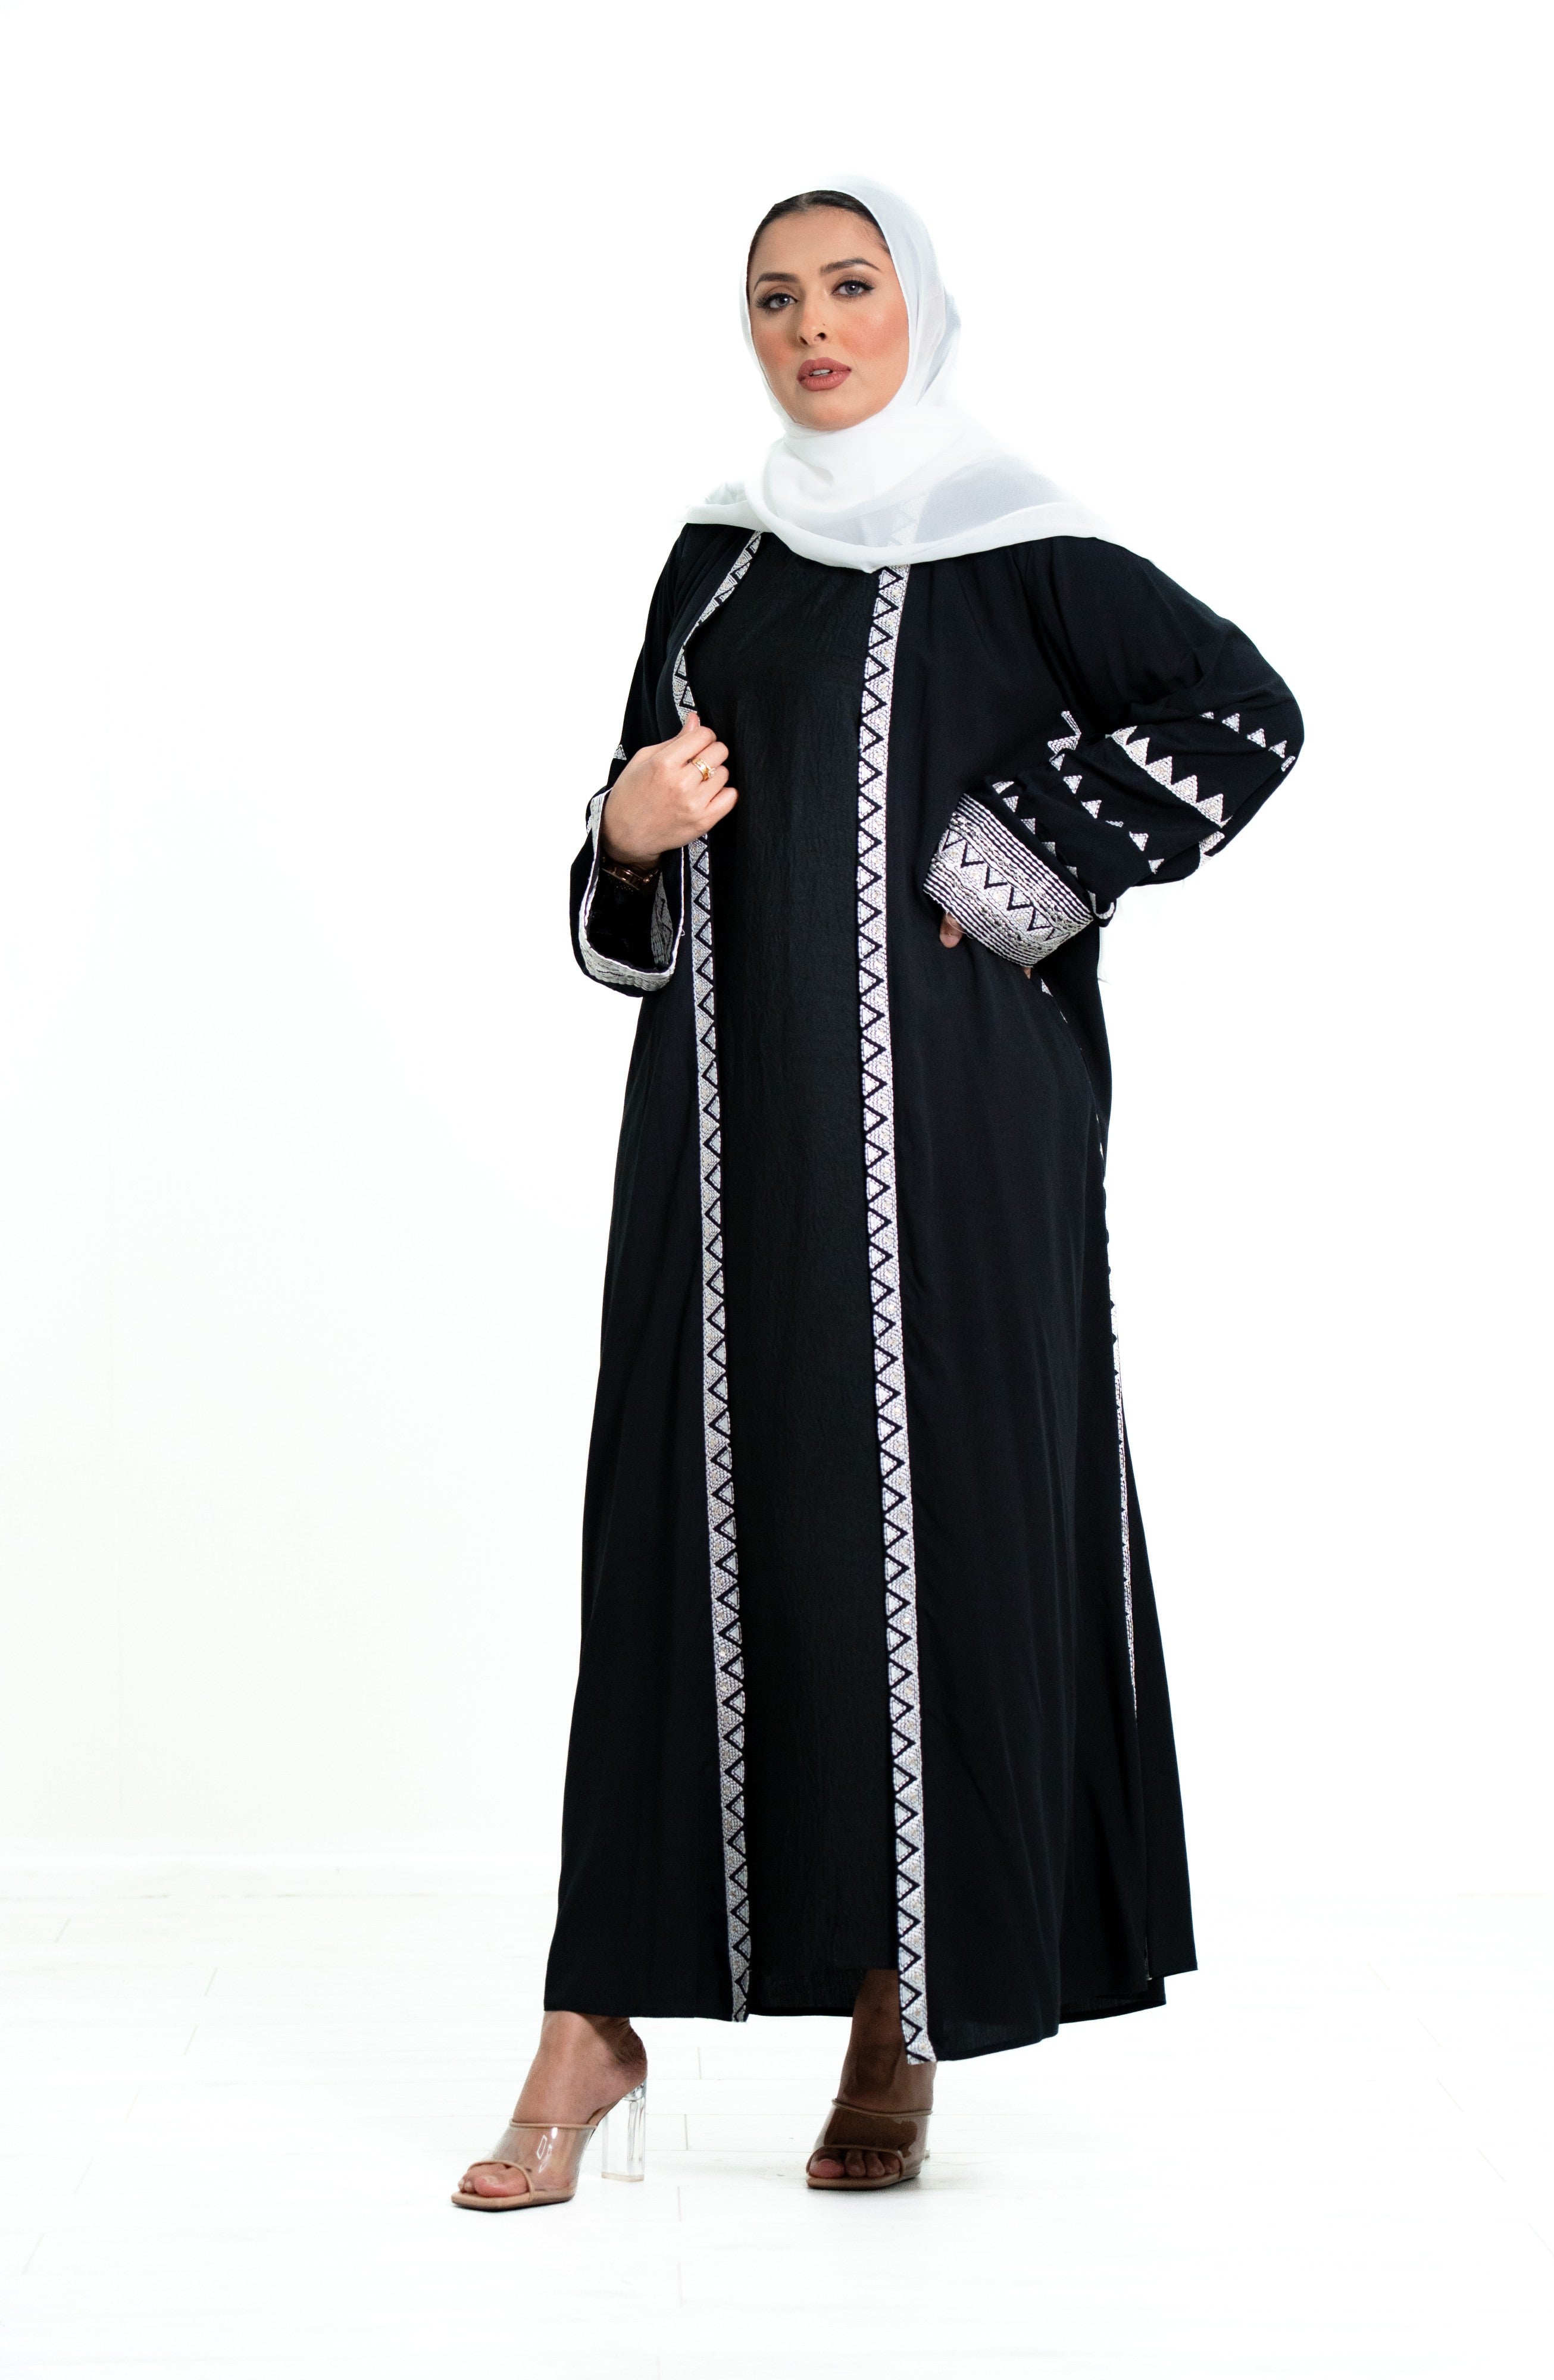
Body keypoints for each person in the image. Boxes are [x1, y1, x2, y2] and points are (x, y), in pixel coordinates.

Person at [454, 178, 1302, 2210]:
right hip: (729, 1135)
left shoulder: (1027, 549)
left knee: (940, 1534)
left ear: (919, 305)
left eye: (848, 288)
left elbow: (1247, 713)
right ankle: (593, 2018)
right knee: (692, 1530)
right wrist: (625, 828)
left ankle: (899, 2009)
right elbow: (633, 889)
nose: (812, 328)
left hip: (963, 1139)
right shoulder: (721, 561)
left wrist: (1015, 858)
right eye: (773, 299)